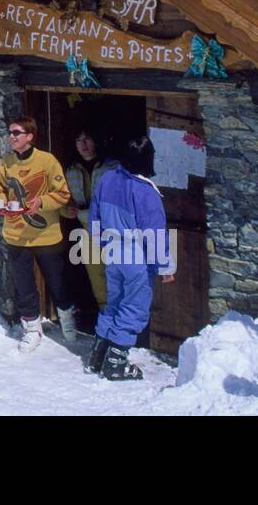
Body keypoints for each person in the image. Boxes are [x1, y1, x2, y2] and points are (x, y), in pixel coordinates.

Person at [0, 116, 76, 351]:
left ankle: (67, 318)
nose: (12, 137)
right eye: (10, 132)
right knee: (24, 284)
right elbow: (0, 188)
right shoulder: (7, 161)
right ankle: (32, 328)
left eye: (17, 133)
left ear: (30, 137)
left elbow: (62, 194)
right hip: (16, 235)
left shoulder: (47, 161)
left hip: (46, 235)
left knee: (57, 281)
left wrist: (40, 201)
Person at [86, 135, 175, 381]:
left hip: (113, 254)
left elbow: (95, 219)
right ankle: (115, 364)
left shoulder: (107, 179)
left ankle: (97, 357)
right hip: (137, 259)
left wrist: (102, 243)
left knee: (113, 303)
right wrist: (164, 264)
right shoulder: (146, 192)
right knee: (133, 308)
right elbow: (155, 234)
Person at [64, 128, 115, 307]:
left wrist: (81, 213)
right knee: (97, 279)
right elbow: (64, 199)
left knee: (116, 276)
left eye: (87, 139)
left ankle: (123, 324)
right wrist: (66, 210)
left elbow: (111, 205)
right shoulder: (71, 169)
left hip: (112, 231)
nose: (83, 144)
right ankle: (106, 321)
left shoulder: (112, 168)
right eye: (79, 140)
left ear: (96, 141)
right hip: (87, 231)